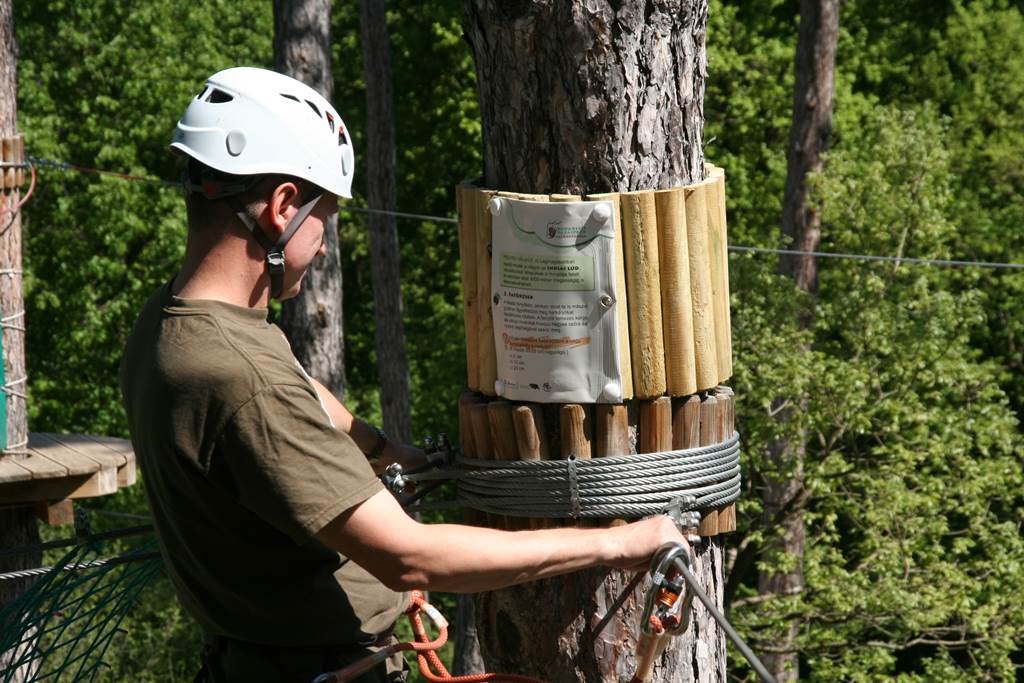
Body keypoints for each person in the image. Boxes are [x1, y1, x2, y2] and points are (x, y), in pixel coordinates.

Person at [119, 66, 687, 683]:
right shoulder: (241, 377)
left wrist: (390, 452)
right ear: (283, 207)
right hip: (316, 666)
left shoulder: (170, 322)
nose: (325, 246)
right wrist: (618, 543)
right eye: (324, 219)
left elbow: (294, 385)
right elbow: (409, 556)